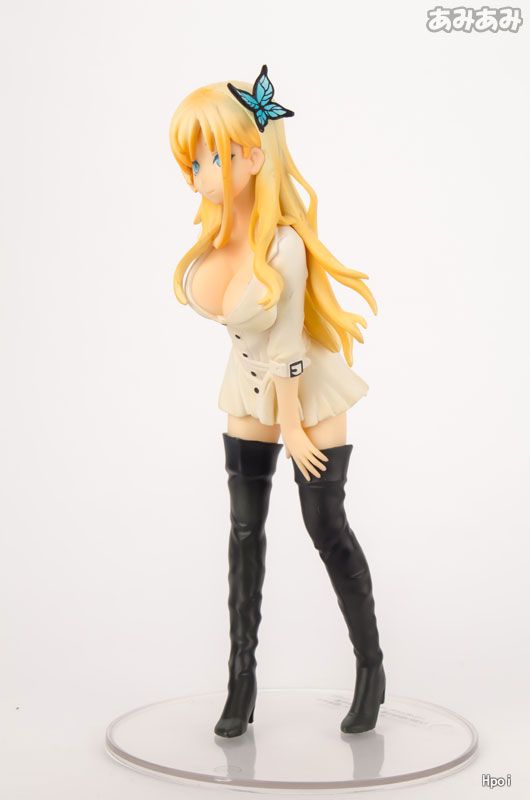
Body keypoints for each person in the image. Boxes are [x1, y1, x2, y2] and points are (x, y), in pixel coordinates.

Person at [169, 65, 385, 738]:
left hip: (306, 387)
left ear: (253, 157)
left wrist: (292, 424)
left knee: (324, 524)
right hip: (247, 384)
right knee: (244, 530)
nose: (199, 174)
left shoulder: (284, 246)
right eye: (193, 161)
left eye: (211, 157)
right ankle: (242, 681)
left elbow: (289, 343)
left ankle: (371, 668)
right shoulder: (216, 243)